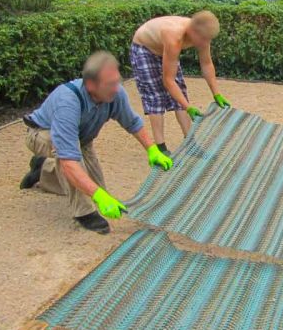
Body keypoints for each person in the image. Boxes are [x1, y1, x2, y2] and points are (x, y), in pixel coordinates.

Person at [19, 51, 173, 233]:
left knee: (96, 187)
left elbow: (132, 122)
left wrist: (152, 149)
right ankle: (83, 214)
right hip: (41, 133)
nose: (116, 88)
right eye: (110, 84)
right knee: (80, 177)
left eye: (118, 81)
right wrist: (97, 196)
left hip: (81, 138)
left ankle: (43, 170)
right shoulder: (68, 103)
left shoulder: (115, 93)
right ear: (91, 85)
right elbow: (69, 160)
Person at [130, 10, 231, 155]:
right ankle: (161, 148)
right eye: (204, 39)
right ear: (193, 32)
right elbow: (168, 81)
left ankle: (190, 143)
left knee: (181, 92)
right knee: (156, 96)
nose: (205, 43)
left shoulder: (202, 35)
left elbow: (206, 64)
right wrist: (188, 107)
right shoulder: (174, 37)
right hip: (145, 49)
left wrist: (217, 93)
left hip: (164, 49)